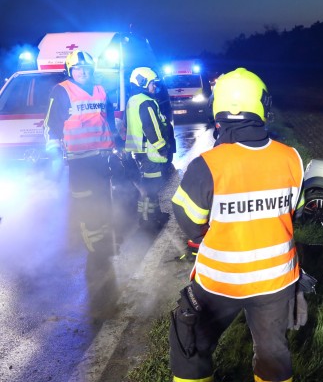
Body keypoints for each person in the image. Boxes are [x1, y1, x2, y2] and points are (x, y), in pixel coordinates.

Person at [169, 68, 304, 382]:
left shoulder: (207, 164)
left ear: (219, 109)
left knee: (190, 346)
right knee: (273, 356)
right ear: (262, 107)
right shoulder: (292, 159)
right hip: (276, 281)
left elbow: (190, 224)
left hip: (219, 283)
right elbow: (291, 214)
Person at [44, 49, 117, 258]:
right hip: (79, 158)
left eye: (86, 69)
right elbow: (51, 122)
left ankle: (104, 236)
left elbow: (109, 119)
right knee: (86, 198)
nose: (83, 73)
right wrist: (53, 149)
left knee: (103, 196)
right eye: (78, 69)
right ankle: (93, 242)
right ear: (70, 70)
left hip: (102, 155)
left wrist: (117, 144)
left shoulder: (100, 90)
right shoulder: (61, 91)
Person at [124, 67, 171, 230]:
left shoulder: (133, 100)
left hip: (139, 152)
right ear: (143, 83)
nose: (154, 87)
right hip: (151, 152)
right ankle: (148, 220)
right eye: (152, 83)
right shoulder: (146, 101)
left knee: (149, 186)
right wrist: (162, 146)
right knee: (151, 187)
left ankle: (153, 216)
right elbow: (151, 126)